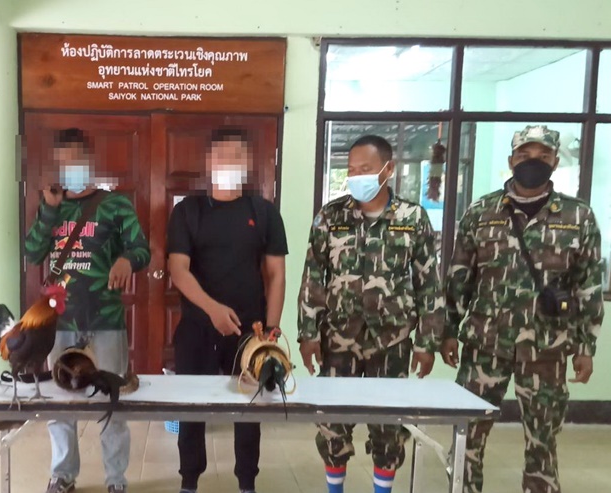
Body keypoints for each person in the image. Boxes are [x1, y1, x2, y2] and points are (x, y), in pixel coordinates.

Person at [443, 125, 603, 493]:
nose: (534, 162)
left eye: (543, 156)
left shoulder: (578, 216)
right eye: (525, 155)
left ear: (556, 162)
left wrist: (585, 346)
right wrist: (449, 330)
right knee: (467, 436)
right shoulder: (481, 211)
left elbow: (589, 286)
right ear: (511, 160)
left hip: (548, 348)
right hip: (485, 345)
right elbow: (459, 277)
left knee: (543, 442)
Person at [298, 135, 444, 493]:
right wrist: (308, 334)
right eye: (351, 170)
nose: (356, 176)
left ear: (388, 169)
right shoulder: (331, 216)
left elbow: (429, 283)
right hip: (338, 339)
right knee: (332, 424)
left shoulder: (413, 218)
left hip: (392, 341)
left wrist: (427, 342)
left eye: (365, 169)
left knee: (388, 427)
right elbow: (313, 277)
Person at [25, 127, 151, 493]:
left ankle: (116, 480)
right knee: (61, 401)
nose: (70, 169)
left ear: (89, 163)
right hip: (60, 320)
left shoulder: (116, 205)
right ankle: (63, 474)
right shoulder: (51, 207)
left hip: (105, 319)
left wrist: (127, 260)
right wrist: (49, 211)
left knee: (112, 401)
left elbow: (142, 249)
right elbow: (33, 253)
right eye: (63, 164)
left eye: (76, 161)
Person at [167, 127, 288, 493]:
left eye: (237, 155)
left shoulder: (263, 212)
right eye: (221, 155)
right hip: (197, 328)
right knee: (192, 409)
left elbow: (276, 275)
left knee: (248, 410)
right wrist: (212, 310)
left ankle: (247, 482)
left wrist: (270, 332)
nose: (228, 162)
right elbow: (178, 270)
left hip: (250, 332)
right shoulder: (188, 211)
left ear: (248, 162)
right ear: (209, 161)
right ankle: (189, 481)